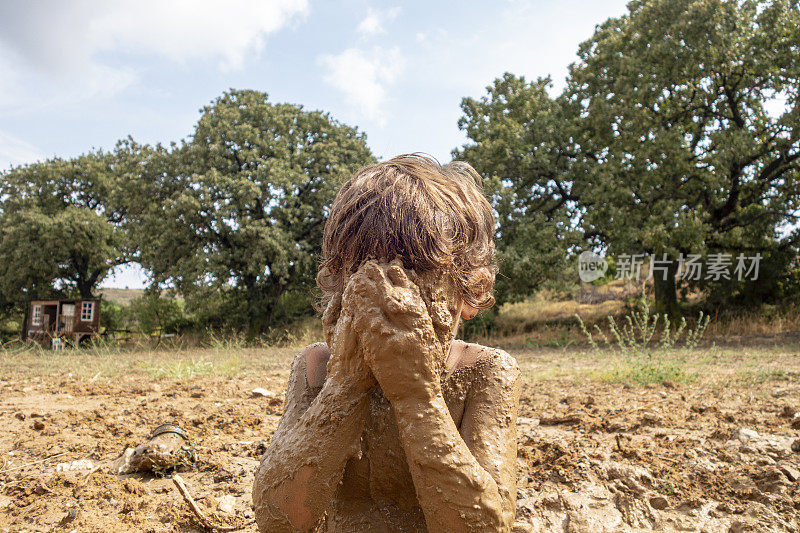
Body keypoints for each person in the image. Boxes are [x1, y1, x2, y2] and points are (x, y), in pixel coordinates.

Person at [252, 154, 521, 532]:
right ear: (338, 287)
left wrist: (417, 395)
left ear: (469, 289)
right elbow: (278, 521)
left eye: (413, 271)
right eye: (362, 271)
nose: (387, 296)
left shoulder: (485, 373)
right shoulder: (316, 367)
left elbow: (485, 526)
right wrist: (345, 384)